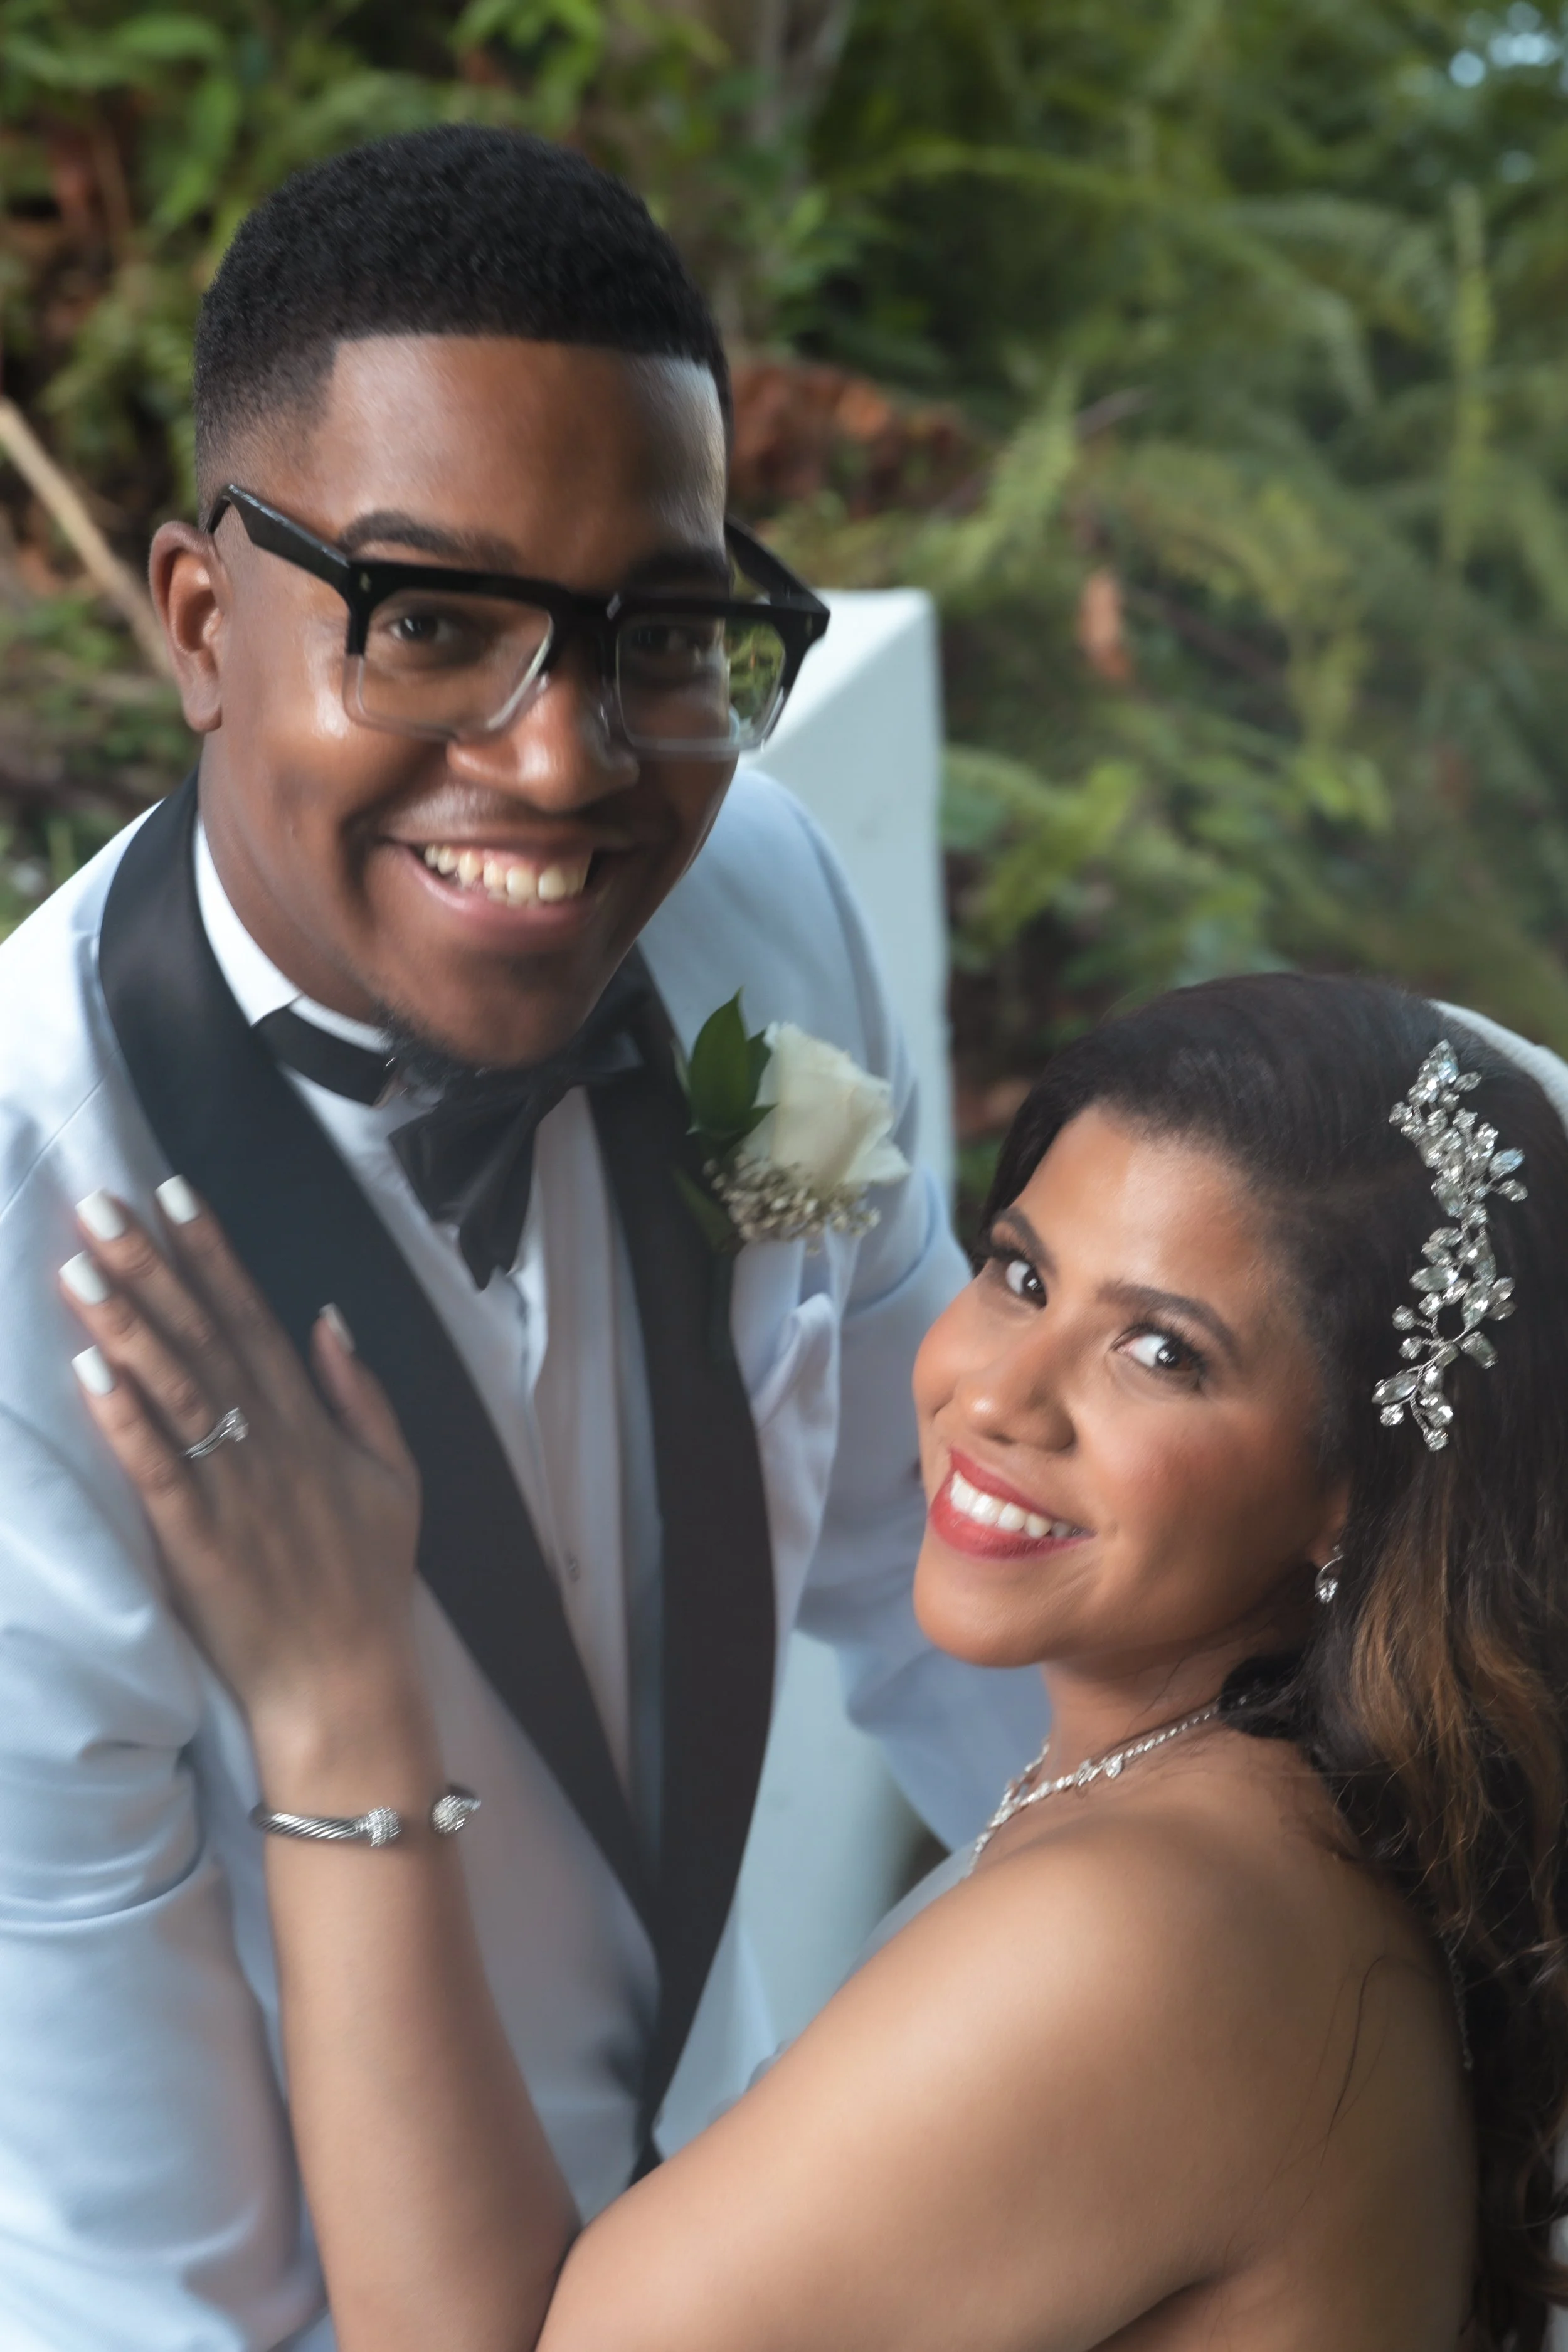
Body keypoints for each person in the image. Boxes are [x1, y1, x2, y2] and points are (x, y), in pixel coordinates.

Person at [0, 126, 1046, 2347]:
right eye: (432, 620)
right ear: (201, 620)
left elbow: (919, 1544)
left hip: (732, 2236)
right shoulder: (29, 1233)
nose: (567, 761)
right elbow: (135, 2257)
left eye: (654, 632)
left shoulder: (758, 905)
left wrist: (1253, 1927)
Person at [60, 972, 1568, 2350]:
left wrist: (336, 1700)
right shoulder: (1257, 1810)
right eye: (1020, 1276)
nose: (1000, 1397)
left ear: (1354, 1492)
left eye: (1159, 1353)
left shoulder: (1145, 1932)